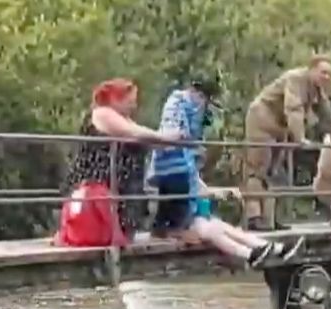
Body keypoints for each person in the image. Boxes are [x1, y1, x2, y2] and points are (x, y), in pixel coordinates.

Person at [61, 78, 181, 245]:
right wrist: (165, 137)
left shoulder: (125, 118)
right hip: (99, 181)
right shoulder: (103, 113)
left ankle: (121, 235)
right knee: (100, 221)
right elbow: (133, 133)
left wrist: (168, 141)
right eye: (130, 101)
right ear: (116, 99)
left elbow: (143, 136)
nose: (134, 106)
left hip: (123, 188)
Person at [243, 56, 331, 231]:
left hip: (280, 126)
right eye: (323, 72)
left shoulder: (316, 88)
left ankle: (269, 219)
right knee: (258, 168)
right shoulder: (296, 78)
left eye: (330, 74)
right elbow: (293, 109)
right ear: (312, 69)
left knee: (274, 170)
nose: (327, 77)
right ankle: (254, 216)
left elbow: (326, 113)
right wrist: (300, 138)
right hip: (262, 118)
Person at [151, 75, 221, 238]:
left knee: (171, 201)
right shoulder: (178, 102)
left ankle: (166, 229)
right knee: (176, 200)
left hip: (182, 161)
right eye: (203, 97)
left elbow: (195, 135)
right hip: (172, 159)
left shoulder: (196, 108)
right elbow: (174, 130)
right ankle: (178, 231)